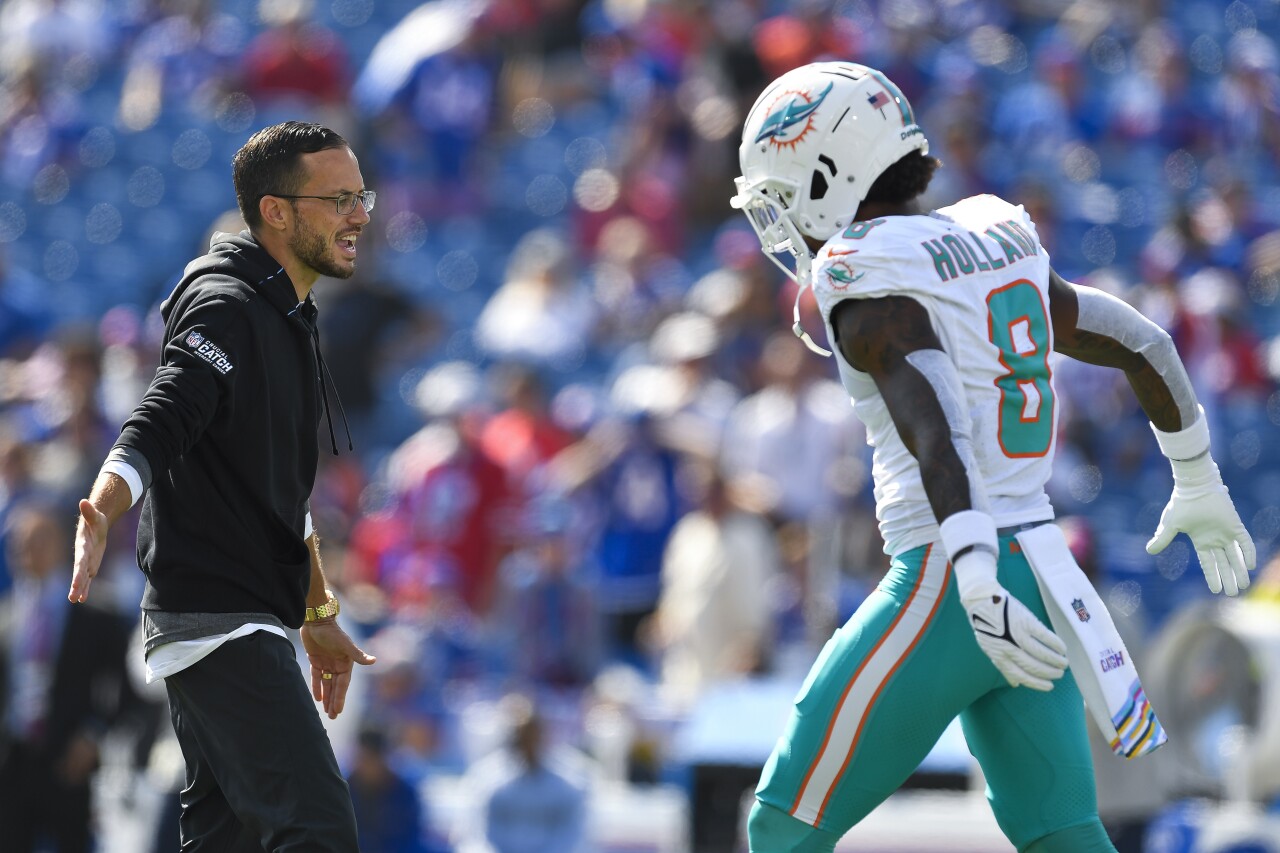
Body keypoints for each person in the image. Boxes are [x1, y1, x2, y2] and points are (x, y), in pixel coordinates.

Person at [729, 62, 1256, 853]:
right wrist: (1197, 472)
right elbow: (1142, 339)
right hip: (1036, 570)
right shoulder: (988, 234)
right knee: (1065, 837)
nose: (783, 229)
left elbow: (937, 420)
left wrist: (971, 575)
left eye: (781, 199)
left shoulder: (860, 270)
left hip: (952, 575)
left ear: (825, 176)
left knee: (782, 823)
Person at [68, 120, 377, 851]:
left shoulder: (284, 312)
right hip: (219, 623)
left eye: (361, 194)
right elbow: (162, 415)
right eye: (338, 199)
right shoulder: (227, 303)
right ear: (277, 211)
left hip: (235, 619)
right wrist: (106, 501)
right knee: (318, 832)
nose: (360, 214)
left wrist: (317, 608)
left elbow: (279, 495)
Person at [0, 499, 135, 853]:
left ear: (63, 541)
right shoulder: (7, 617)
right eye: (19, 541)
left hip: (69, 764)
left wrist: (94, 735)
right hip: (13, 767)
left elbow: (122, 685)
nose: (28, 548)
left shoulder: (97, 612)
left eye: (39, 538)